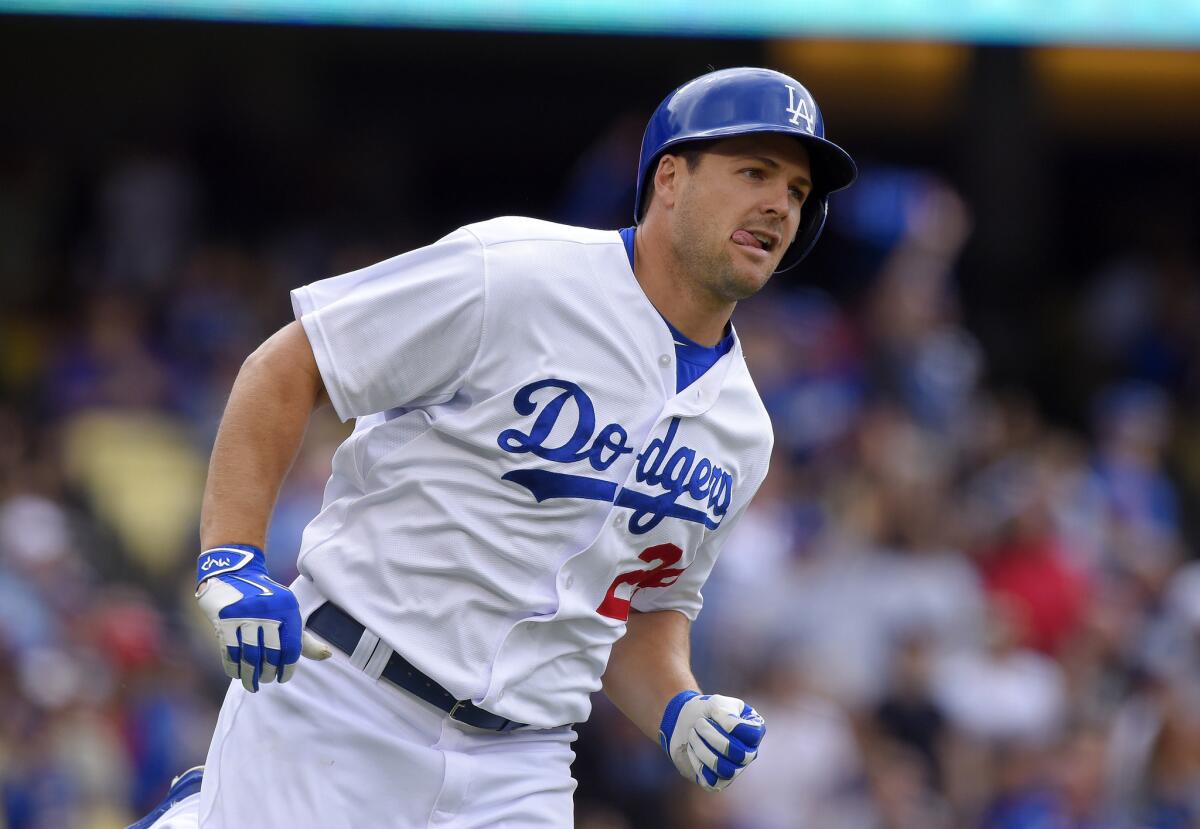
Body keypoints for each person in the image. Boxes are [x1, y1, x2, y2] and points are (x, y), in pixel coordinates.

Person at [128, 65, 856, 829]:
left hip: (524, 762)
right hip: (346, 698)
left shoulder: (744, 429)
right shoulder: (516, 272)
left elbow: (641, 611)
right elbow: (292, 364)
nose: (779, 203)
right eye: (754, 172)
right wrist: (232, 557)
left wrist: (677, 705)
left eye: (798, 192)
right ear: (670, 179)